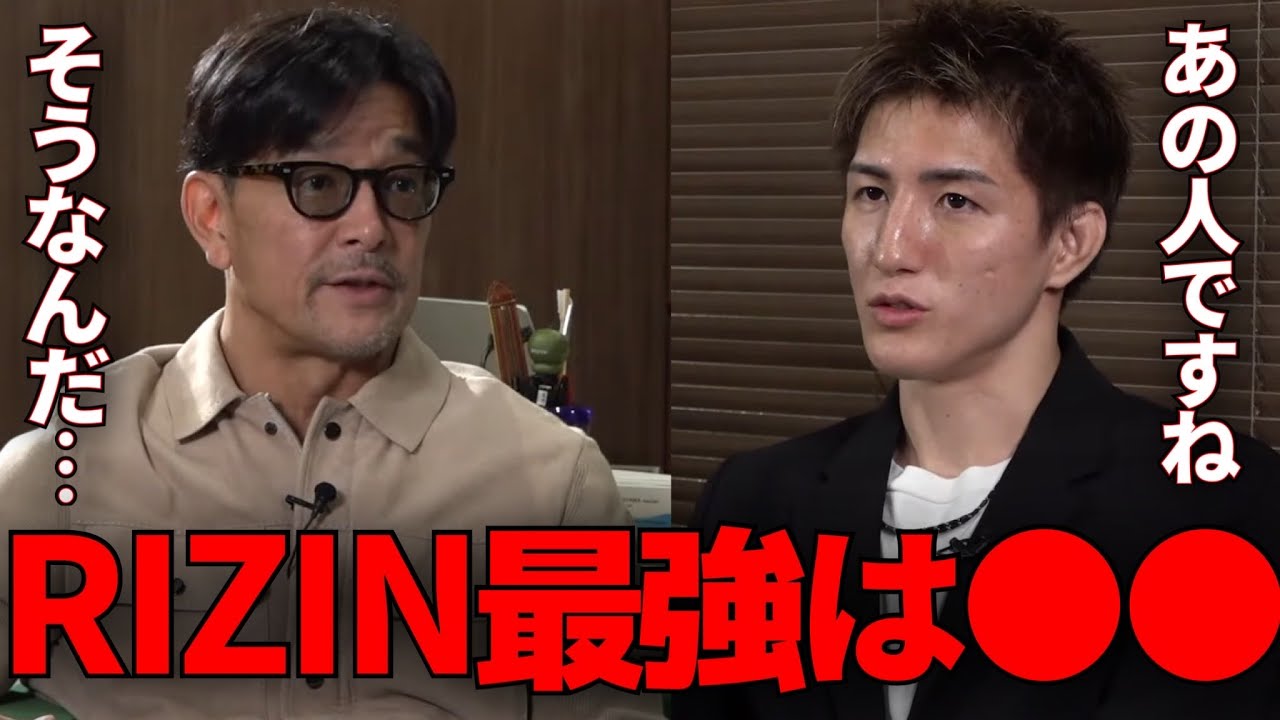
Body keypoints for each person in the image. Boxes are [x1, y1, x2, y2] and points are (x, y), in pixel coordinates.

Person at [0, 6, 635, 719]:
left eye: (402, 183)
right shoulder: (67, 468)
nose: (371, 228)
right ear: (211, 216)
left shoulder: (549, 483)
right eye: (317, 182)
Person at [671, 1, 1280, 718]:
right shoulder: (753, 506)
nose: (891, 248)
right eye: (872, 194)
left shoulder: (1218, 510)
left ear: (1069, 243)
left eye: (956, 201)